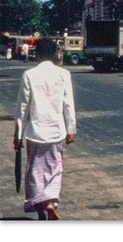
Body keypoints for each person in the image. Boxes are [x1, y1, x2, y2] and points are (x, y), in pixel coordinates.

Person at [13, 36, 77, 220]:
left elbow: (22, 107)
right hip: (56, 131)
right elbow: (68, 104)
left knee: (35, 170)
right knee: (55, 169)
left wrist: (18, 134)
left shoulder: (29, 75)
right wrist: (71, 129)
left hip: (35, 132)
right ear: (55, 53)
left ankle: (41, 206)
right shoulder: (64, 74)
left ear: (37, 54)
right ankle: (50, 203)